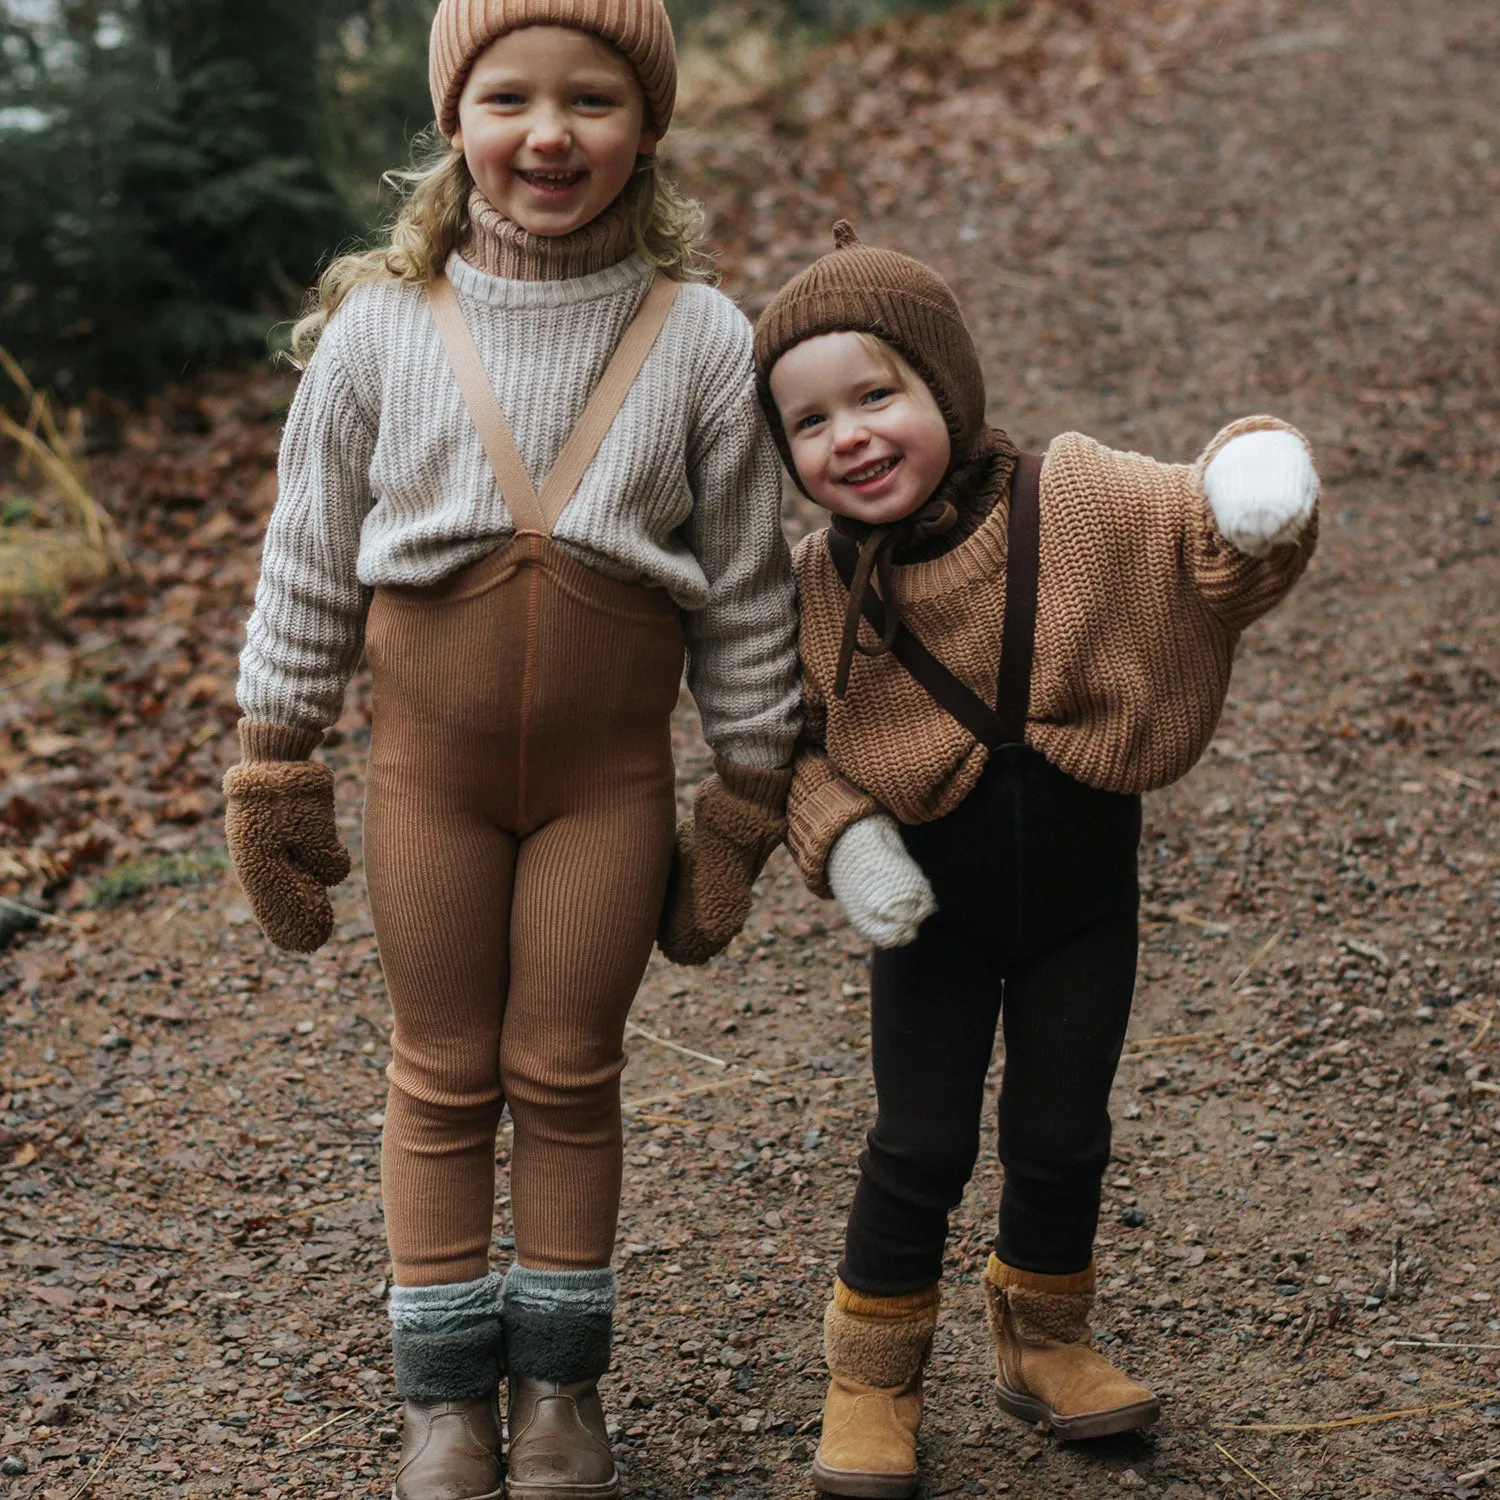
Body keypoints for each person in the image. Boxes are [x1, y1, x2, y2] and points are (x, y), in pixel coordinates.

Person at [221, 4, 800, 1494]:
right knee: (441, 1071)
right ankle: (444, 1402)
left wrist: (744, 791)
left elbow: (745, 584)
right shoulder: (381, 333)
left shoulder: (704, 341)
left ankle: (558, 1392)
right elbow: (307, 558)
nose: (550, 133)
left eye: (593, 98)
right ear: (454, 121)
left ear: (649, 126)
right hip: (430, 784)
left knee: (567, 1068)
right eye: (509, 98)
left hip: (608, 789)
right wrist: (275, 755)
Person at [755, 222, 1318, 1497]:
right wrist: (846, 845)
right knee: (918, 1141)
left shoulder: (1074, 498)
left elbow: (1204, 518)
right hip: (933, 921)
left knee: (1063, 1132)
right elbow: (782, 748)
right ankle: (873, 1378)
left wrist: (1256, 481)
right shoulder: (816, 589)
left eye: (877, 396)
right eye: (808, 422)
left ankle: (1045, 1341)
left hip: (1081, 907)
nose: (847, 435)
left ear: (946, 388)